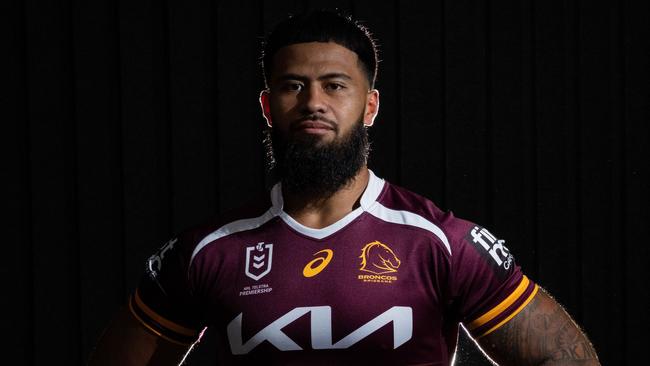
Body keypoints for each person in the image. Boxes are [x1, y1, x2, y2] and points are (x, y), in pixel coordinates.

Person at [89, 10, 600, 366]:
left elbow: (565, 356)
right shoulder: (208, 252)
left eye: (335, 86)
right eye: (293, 86)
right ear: (268, 108)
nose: (314, 102)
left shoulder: (438, 243)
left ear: (370, 106)